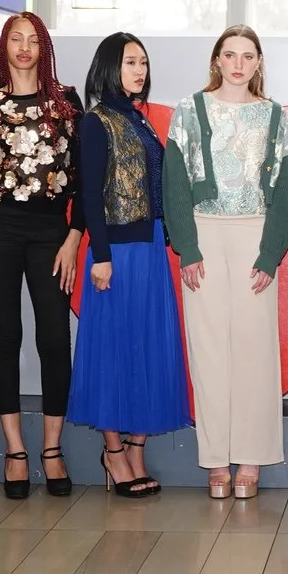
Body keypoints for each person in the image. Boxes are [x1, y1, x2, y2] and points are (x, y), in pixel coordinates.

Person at [163, 25, 288, 498]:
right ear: (216, 60)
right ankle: (216, 458)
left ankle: (252, 457)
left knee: (255, 350)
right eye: (230, 54)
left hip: (255, 235)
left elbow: (284, 187)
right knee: (208, 349)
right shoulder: (188, 110)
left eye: (248, 55)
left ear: (258, 62)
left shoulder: (274, 115)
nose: (239, 64)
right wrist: (188, 246)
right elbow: (175, 181)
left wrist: (270, 253)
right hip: (203, 234)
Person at [0, 12, 83, 499]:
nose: (24, 47)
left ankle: (52, 448)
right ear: (4, 46)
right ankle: (15, 450)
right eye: (15, 39)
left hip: (52, 232)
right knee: (5, 336)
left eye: (33, 40)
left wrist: (74, 238)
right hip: (0, 230)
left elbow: (83, 178)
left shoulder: (66, 104)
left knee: (55, 338)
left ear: (44, 48)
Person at [71, 31, 186, 497]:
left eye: (143, 62)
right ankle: (113, 452)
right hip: (115, 254)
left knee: (147, 348)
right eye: (130, 62)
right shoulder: (96, 121)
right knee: (114, 353)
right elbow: (89, 195)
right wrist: (100, 256)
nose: (139, 70)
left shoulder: (140, 119)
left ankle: (137, 449)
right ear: (109, 68)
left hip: (151, 246)